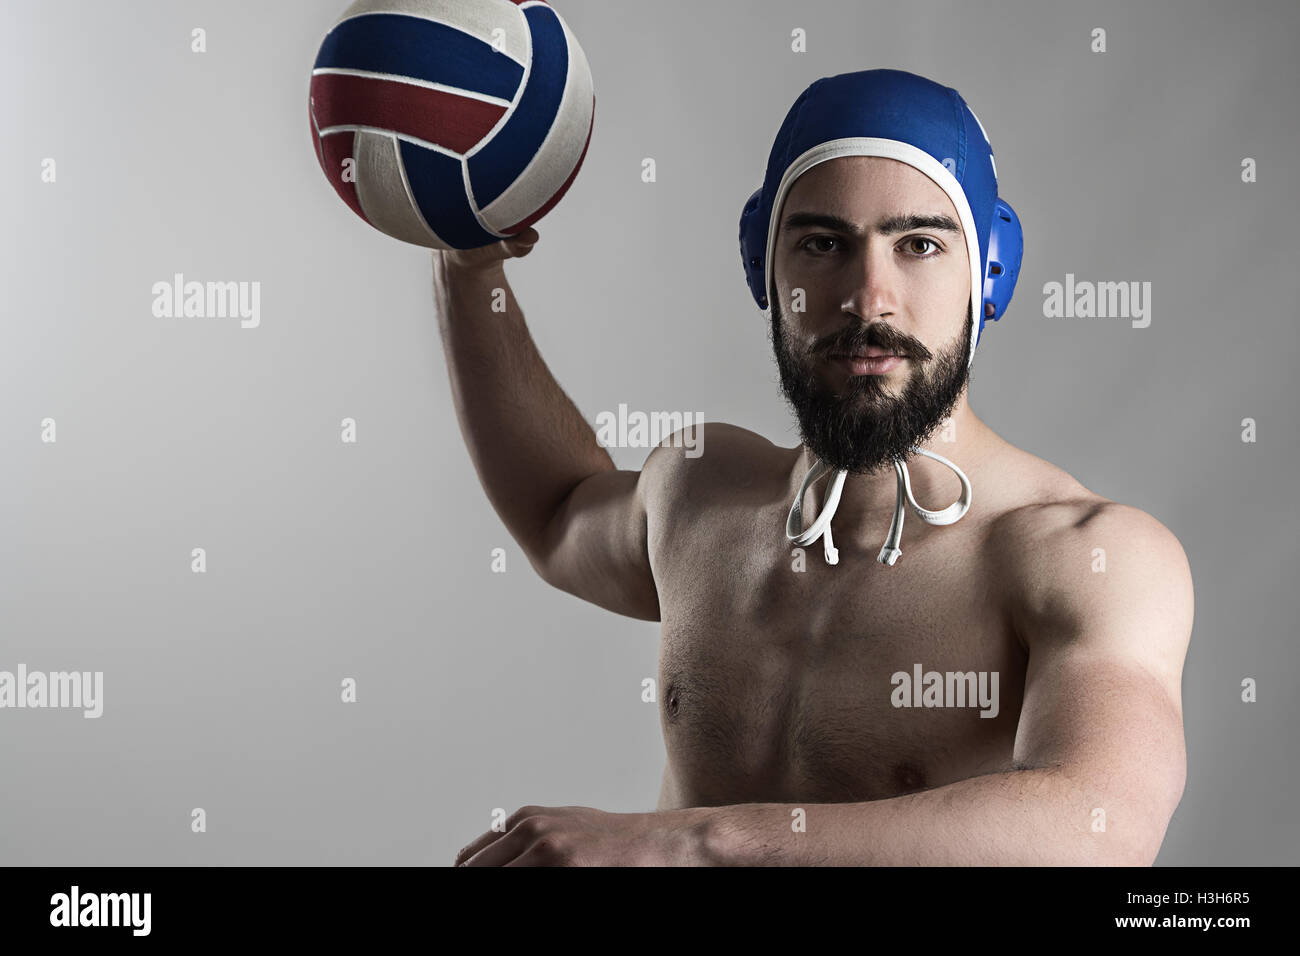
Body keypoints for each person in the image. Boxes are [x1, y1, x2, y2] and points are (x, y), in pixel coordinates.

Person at [435, 70, 1192, 866]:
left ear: (990, 271)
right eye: (824, 244)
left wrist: (691, 844)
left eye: (919, 244)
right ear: (763, 265)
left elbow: (1101, 823)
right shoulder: (700, 493)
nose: (869, 299)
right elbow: (557, 514)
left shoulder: (1086, 557)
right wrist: (467, 271)